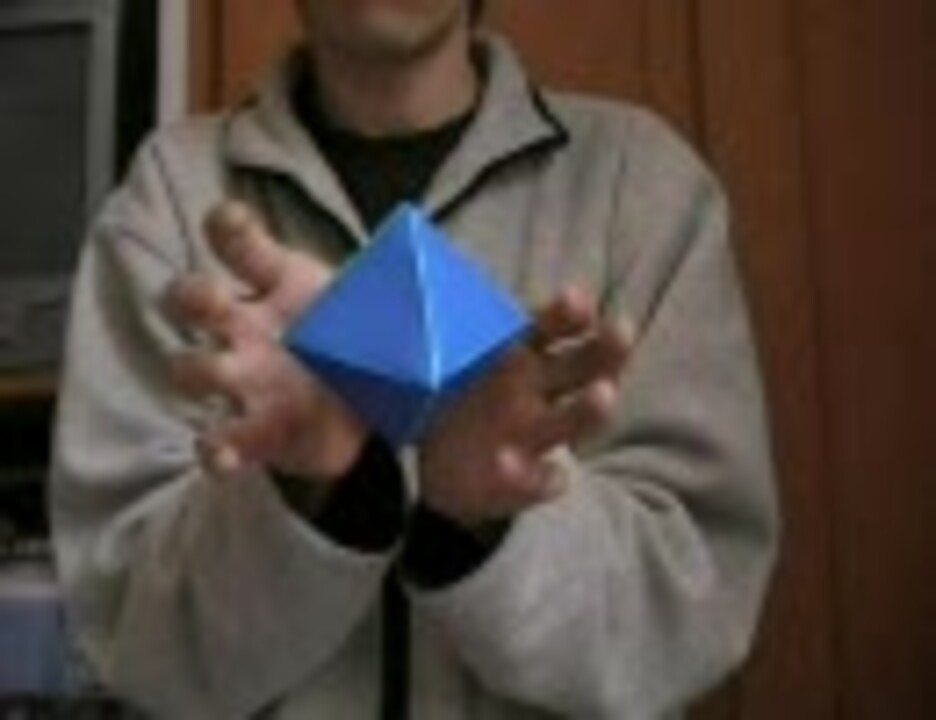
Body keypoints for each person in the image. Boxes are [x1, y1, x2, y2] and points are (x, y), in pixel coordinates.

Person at [50, 0, 779, 717]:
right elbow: (139, 643)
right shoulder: (171, 194)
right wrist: (303, 490)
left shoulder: (639, 181)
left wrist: (495, 515)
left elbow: (691, 613)